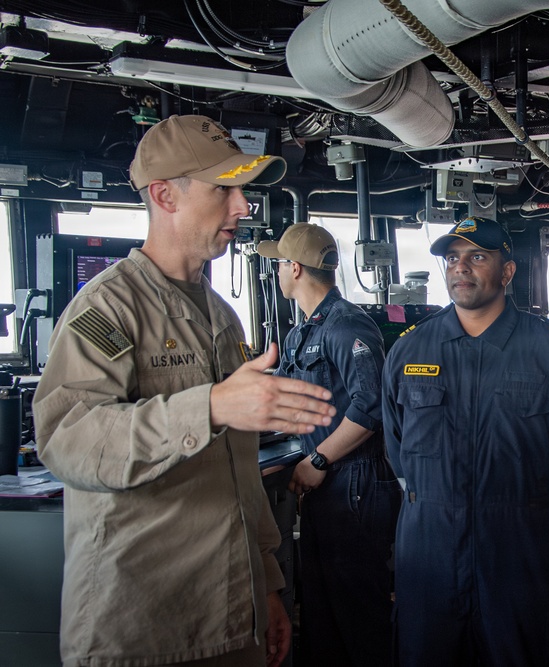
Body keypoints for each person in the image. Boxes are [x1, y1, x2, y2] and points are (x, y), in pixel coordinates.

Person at [33, 114, 338, 667]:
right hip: (142, 627)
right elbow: (67, 441)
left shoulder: (221, 315)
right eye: (225, 190)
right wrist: (212, 405)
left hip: (229, 612)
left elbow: (238, 472)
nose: (243, 207)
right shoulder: (107, 307)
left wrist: (266, 585)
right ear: (164, 195)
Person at [381, 216, 549, 666]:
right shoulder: (410, 349)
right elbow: (398, 453)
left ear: (508, 272)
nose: (461, 267)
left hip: (521, 553)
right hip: (430, 550)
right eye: (453, 258)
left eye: (477, 256)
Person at [257, 222, 400, 666]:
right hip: (328, 484)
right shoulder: (304, 332)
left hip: (353, 482)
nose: (276, 272)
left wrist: (317, 459)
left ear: (294, 268)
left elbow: (371, 406)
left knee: (356, 611)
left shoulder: (345, 325)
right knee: (320, 610)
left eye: (278, 263)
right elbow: (289, 396)